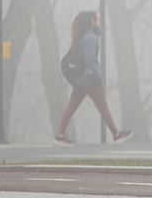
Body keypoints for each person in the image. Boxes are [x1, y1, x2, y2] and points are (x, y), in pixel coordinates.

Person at [54, 11, 132, 145]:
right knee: (103, 107)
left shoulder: (83, 37)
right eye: (97, 20)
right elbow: (90, 61)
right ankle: (117, 134)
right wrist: (98, 78)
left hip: (82, 80)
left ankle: (60, 135)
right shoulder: (91, 38)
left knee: (72, 106)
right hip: (90, 79)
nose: (99, 22)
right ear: (92, 21)